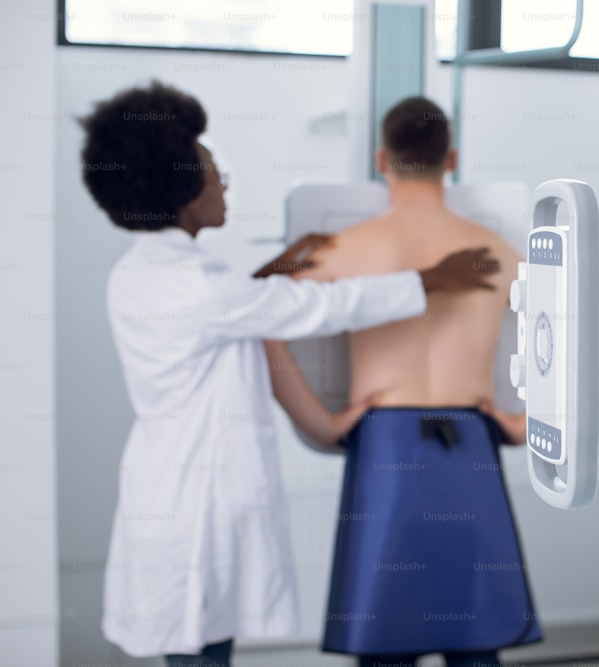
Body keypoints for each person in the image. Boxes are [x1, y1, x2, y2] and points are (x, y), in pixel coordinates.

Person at [78, 81, 499, 666]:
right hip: (195, 504)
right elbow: (316, 308)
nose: (223, 180)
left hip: (173, 487)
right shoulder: (198, 285)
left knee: (203, 641)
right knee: (199, 647)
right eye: (211, 168)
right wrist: (434, 278)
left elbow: (238, 306)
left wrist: (280, 265)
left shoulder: (147, 271)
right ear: (178, 189)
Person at [271, 95, 539, 667]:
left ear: (381, 160)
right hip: (471, 445)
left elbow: (259, 322)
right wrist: (525, 425)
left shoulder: (339, 250)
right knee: (475, 647)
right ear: (452, 160)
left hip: (383, 450)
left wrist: (323, 425)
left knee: (386, 646)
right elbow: (570, 332)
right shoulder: (495, 253)